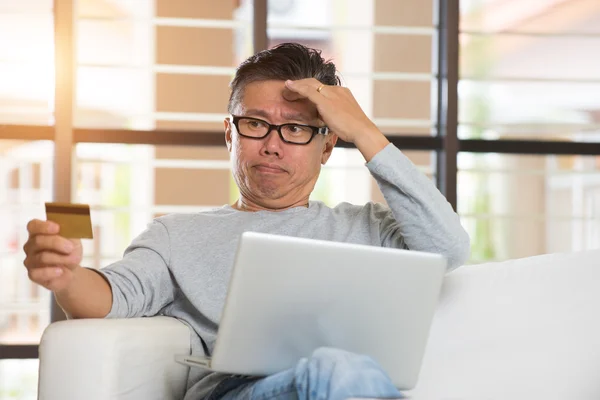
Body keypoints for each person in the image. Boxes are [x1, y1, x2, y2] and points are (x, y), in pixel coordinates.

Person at [23, 43, 470, 400]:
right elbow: (110, 297)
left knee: (342, 371)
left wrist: (366, 132)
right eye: (255, 124)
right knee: (339, 369)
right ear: (229, 133)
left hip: (345, 386)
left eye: (295, 129)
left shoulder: (368, 227)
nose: (273, 145)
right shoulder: (177, 235)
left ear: (328, 146)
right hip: (236, 392)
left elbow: (448, 248)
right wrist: (65, 275)